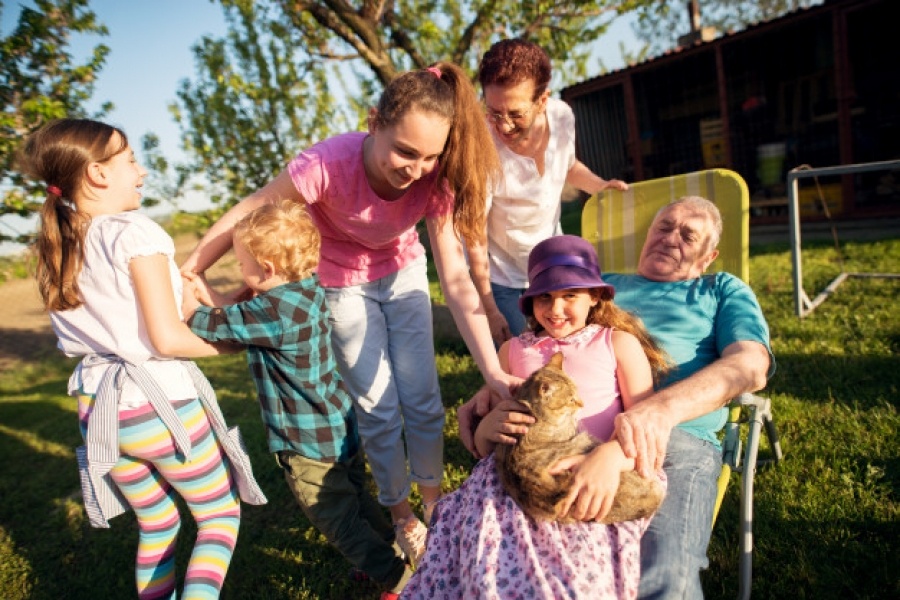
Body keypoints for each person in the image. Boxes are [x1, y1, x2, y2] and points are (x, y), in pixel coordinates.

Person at [180, 61, 513, 570]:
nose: (416, 168)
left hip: (401, 272)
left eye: (430, 157)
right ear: (373, 121)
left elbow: (454, 276)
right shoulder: (327, 164)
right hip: (339, 282)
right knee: (377, 405)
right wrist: (191, 269)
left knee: (423, 398)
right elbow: (252, 208)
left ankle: (434, 505)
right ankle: (401, 514)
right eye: (406, 151)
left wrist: (492, 371)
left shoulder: (437, 178)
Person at [459, 196, 774, 599]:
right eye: (664, 227)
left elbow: (751, 365)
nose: (670, 238)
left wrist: (656, 414)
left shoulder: (720, 289)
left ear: (708, 257)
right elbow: (541, 350)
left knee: (662, 573)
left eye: (688, 235)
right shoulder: (592, 285)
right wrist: (493, 391)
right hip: (560, 434)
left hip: (675, 434)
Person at [18, 118, 266, 599]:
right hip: (157, 404)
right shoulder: (133, 232)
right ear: (97, 174)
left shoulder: (61, 244)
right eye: (130, 160)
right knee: (218, 515)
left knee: (157, 522)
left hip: (99, 411)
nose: (142, 171)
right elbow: (167, 338)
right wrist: (235, 343)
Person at [403, 234, 671, 599]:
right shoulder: (512, 351)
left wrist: (613, 460)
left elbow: (645, 425)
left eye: (570, 295)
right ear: (531, 301)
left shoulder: (617, 344)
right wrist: (487, 430)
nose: (555, 308)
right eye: (545, 297)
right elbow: (483, 444)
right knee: (487, 555)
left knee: (578, 567)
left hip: (595, 470)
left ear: (595, 296)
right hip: (512, 481)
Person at [181, 200, 413, 598]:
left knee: (337, 520)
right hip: (337, 428)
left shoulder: (272, 312)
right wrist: (211, 293)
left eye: (241, 263)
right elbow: (242, 321)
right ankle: (389, 553)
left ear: (266, 268)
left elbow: (208, 323)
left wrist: (187, 296)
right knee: (358, 500)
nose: (239, 269)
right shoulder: (305, 292)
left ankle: (400, 582)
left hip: (308, 444)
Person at [467, 38, 630, 345]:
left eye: (516, 114)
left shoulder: (562, 116)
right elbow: (474, 236)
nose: (504, 126)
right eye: (494, 112)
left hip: (554, 266)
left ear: (542, 100)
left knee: (576, 348)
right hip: (505, 279)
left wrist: (599, 186)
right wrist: (489, 310)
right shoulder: (481, 147)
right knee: (526, 356)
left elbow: (568, 166)